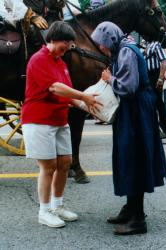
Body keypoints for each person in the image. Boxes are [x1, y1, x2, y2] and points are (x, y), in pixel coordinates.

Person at [91, 21, 166, 235]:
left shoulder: (125, 52)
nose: (101, 48)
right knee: (130, 157)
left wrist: (109, 78)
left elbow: (128, 87)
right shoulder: (123, 49)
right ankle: (131, 208)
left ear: (110, 39)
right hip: (134, 111)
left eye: (102, 44)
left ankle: (137, 218)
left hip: (136, 112)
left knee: (134, 158)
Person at [21, 21, 101, 228]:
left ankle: (57, 206)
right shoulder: (38, 59)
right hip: (39, 120)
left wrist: (87, 105)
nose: (68, 46)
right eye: (64, 41)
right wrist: (84, 95)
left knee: (65, 164)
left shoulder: (61, 63)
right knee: (48, 167)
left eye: (70, 42)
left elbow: (68, 94)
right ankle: (44, 211)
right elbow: (56, 88)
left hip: (59, 119)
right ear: (52, 38)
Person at [145, 40, 166, 139]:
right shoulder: (147, 44)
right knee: (151, 102)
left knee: (158, 102)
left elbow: (164, 61)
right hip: (148, 75)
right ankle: (154, 128)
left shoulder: (156, 45)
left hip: (155, 75)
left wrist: (160, 78)